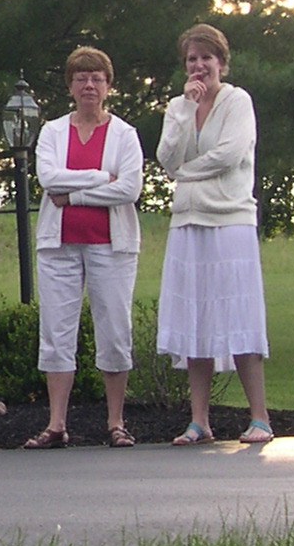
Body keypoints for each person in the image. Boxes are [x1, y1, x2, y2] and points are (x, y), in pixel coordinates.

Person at [155, 23, 273, 445]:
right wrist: (187, 112)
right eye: (192, 59)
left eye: (207, 57)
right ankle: (199, 420)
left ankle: (259, 417)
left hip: (230, 221)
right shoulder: (178, 106)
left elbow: (230, 154)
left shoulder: (238, 101)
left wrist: (185, 172)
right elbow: (166, 156)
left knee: (239, 316)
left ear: (221, 62)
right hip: (187, 222)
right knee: (195, 321)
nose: (199, 65)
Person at [25, 47, 145, 448]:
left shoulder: (125, 134)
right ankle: (56, 423)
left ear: (108, 86)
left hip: (111, 246)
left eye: (96, 78)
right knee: (56, 333)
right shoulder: (53, 132)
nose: (89, 85)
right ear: (70, 86)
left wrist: (75, 196)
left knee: (114, 329)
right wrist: (99, 177)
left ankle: (115, 421)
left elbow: (128, 188)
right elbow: (48, 179)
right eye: (81, 78)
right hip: (59, 245)